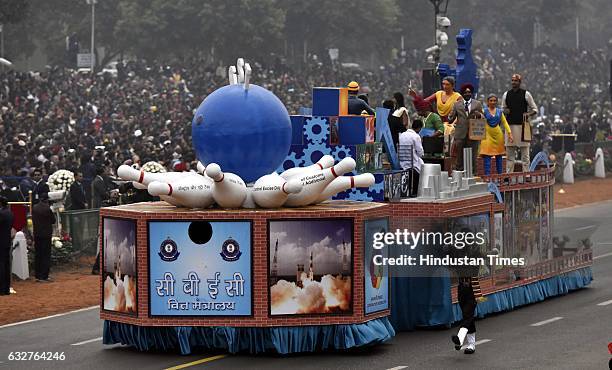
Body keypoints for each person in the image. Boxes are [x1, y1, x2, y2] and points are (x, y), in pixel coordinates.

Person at [501, 74, 538, 172]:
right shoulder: (506, 94)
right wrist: (505, 111)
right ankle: (508, 177)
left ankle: (527, 175)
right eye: (512, 80)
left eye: (516, 80)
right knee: (510, 156)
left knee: (525, 156)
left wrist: (528, 114)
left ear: (520, 82)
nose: (514, 82)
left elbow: (535, 109)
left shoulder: (526, 94)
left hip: (523, 127)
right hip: (510, 128)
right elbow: (502, 109)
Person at [449, 83, 484, 172]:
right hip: (460, 134)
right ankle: (459, 174)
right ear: (462, 94)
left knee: (473, 155)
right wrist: (450, 116)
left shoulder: (477, 104)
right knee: (459, 156)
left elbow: (483, 117)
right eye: (465, 92)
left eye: (469, 92)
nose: (467, 94)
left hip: (473, 133)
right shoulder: (457, 104)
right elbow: (451, 118)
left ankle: (473, 173)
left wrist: (479, 115)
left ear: (471, 93)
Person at [480, 94, 513, 175]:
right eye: (491, 100)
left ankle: (500, 176)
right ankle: (487, 176)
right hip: (487, 135)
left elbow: (505, 123)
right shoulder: (483, 111)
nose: (493, 102)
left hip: (498, 135)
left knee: (499, 156)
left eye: (494, 100)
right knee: (487, 156)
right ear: (487, 102)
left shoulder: (499, 111)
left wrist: (510, 133)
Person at [32, 193, 55, 282]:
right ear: (46, 200)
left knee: (38, 254)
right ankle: (44, 275)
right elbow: (53, 220)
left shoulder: (34, 207)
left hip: (37, 234)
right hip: (46, 234)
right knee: (45, 255)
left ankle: (37, 275)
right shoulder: (47, 209)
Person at [398, 119, 424, 197]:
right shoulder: (416, 136)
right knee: (422, 165)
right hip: (412, 163)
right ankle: (416, 191)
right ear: (419, 128)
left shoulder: (402, 135)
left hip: (402, 162)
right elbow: (420, 152)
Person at [0, 196, 14, 295]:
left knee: (1, 265)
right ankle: (6, 288)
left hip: (1, 241)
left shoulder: (1, 213)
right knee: (6, 264)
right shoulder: (10, 213)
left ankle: (2, 288)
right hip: (7, 240)